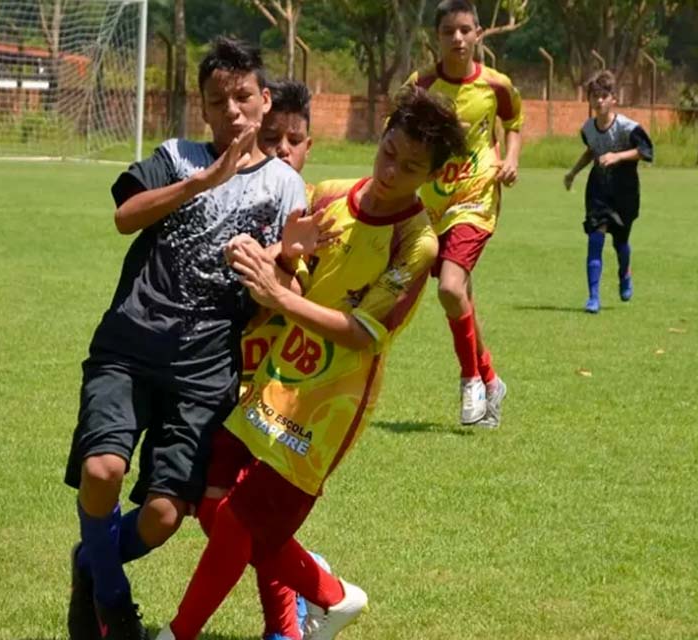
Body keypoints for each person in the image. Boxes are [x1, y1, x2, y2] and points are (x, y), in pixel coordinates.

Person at [153, 85, 467, 640]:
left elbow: (362, 334)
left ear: (433, 175)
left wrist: (283, 299)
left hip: (328, 408)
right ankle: (331, 594)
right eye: (390, 150)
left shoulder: (416, 244)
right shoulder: (326, 196)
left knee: (239, 525)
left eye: (412, 166)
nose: (392, 170)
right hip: (276, 380)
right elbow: (291, 273)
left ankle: (180, 634)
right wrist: (276, 257)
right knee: (213, 506)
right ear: (383, 133)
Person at [64, 37, 315, 640]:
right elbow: (125, 216)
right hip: (128, 347)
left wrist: (278, 263)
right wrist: (199, 184)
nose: (232, 110)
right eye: (217, 100)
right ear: (202, 109)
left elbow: (282, 292)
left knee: (163, 515)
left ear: (263, 99)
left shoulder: (285, 187)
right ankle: (115, 609)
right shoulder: (177, 157)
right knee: (102, 472)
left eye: (243, 96)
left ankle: (91, 564)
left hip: (206, 372)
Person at [406, 0, 523, 428]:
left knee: (450, 288)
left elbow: (514, 122)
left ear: (478, 34)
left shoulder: (496, 85)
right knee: (461, 297)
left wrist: (510, 159)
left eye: (465, 30)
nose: (457, 38)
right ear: (436, 37)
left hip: (477, 199)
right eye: (449, 31)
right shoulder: (420, 85)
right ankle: (492, 379)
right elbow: (395, 132)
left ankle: (470, 378)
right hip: (433, 205)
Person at [248, 78, 329, 640]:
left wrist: (280, 265)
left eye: (293, 140)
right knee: (228, 513)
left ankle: (287, 625)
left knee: (251, 513)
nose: (281, 149)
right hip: (235, 368)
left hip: (292, 382)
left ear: (308, 146)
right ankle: (313, 579)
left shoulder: (321, 213)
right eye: (271, 137)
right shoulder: (247, 195)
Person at [564, 70, 653, 313]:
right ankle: (593, 297)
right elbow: (592, 151)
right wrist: (573, 173)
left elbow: (645, 151)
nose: (599, 100)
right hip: (599, 188)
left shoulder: (628, 127)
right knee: (595, 238)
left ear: (614, 98)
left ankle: (625, 273)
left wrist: (617, 156)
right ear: (589, 100)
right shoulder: (588, 129)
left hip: (625, 190)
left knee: (620, 242)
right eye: (595, 96)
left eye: (604, 95)